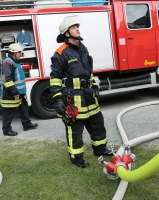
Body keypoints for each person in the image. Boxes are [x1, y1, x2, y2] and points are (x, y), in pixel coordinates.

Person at [49, 15, 113, 168]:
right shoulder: (61, 52)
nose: (77, 29)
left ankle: (100, 148)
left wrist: (94, 86)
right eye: (73, 27)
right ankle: (76, 158)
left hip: (89, 95)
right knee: (75, 129)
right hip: (73, 98)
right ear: (66, 33)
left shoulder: (83, 48)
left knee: (97, 122)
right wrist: (58, 99)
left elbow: (88, 72)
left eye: (77, 26)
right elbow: (55, 78)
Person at [0, 43, 38, 136]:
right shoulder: (8, 63)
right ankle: (6, 130)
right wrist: (14, 90)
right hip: (11, 92)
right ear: (14, 53)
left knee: (24, 108)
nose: (21, 54)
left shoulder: (14, 62)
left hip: (19, 92)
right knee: (9, 111)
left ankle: (27, 124)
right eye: (19, 52)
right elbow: (7, 79)